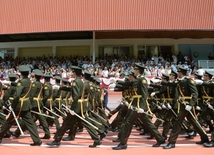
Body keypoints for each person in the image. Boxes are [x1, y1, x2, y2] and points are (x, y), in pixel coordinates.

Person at [112, 63, 165, 150]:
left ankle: (123, 143)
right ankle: (160, 138)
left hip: (138, 105)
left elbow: (144, 94)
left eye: (135, 70)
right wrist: (117, 82)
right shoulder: (138, 79)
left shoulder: (142, 80)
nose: (134, 72)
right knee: (147, 123)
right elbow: (129, 85)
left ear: (138, 71)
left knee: (128, 122)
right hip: (135, 104)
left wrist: (141, 107)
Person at [47, 66, 102, 148]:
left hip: (77, 107)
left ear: (74, 72)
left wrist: (72, 108)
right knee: (86, 123)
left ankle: (57, 140)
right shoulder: (80, 81)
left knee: (66, 123)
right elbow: (73, 90)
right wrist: (61, 88)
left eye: (72, 72)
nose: (71, 73)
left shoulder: (76, 82)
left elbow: (75, 96)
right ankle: (97, 139)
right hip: (82, 106)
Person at [163, 66, 209, 149]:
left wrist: (190, 105)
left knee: (177, 122)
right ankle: (205, 138)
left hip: (187, 105)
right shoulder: (180, 81)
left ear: (181, 73)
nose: (178, 74)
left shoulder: (188, 81)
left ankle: (172, 142)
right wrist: (161, 81)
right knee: (194, 122)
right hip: (182, 104)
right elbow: (171, 84)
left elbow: (195, 94)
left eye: (179, 72)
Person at [0, 65, 42, 146]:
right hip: (26, 105)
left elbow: (17, 95)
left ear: (21, 73)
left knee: (9, 122)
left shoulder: (21, 82)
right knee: (30, 124)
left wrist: (13, 105)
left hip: (19, 106)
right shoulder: (29, 81)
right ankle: (37, 140)